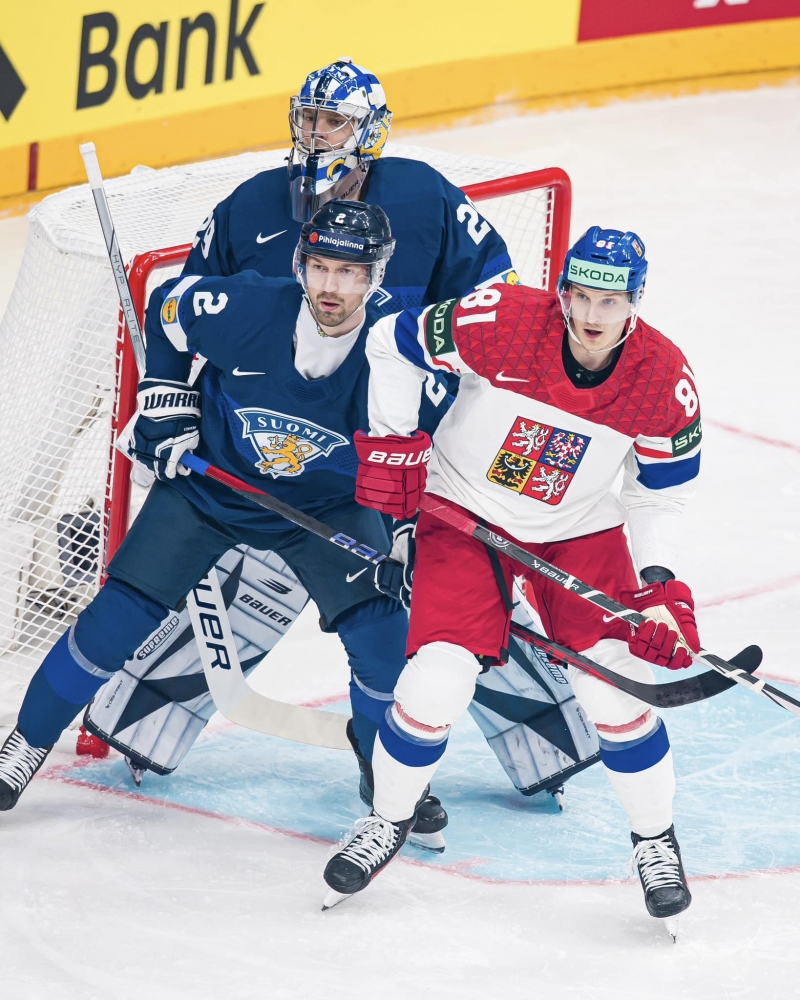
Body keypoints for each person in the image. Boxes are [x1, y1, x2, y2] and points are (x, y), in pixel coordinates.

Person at [0, 202, 446, 849]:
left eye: (348, 273)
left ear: (374, 277)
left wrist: (405, 533)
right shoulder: (246, 307)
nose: (330, 286)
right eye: (319, 267)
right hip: (210, 489)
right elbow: (169, 309)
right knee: (115, 620)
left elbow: (418, 447)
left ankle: (392, 782)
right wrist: (166, 407)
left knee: (383, 641)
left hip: (327, 507)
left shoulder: (399, 347)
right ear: (300, 265)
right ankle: (24, 745)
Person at [323, 227, 703, 932]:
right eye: (581, 296)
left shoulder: (663, 382)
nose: (593, 315)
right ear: (561, 293)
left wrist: (658, 588)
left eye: (610, 301)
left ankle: (655, 840)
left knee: (613, 688)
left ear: (636, 303)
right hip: (463, 509)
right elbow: (393, 342)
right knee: (435, 679)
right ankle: (387, 821)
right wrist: (398, 445)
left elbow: (661, 494)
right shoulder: (499, 318)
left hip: (580, 530)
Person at [182, 57, 518, 307]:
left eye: (334, 121)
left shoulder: (425, 196)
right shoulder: (249, 203)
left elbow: (495, 292)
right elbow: (188, 301)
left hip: (390, 390)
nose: (315, 135)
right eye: (309, 117)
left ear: (371, 131)